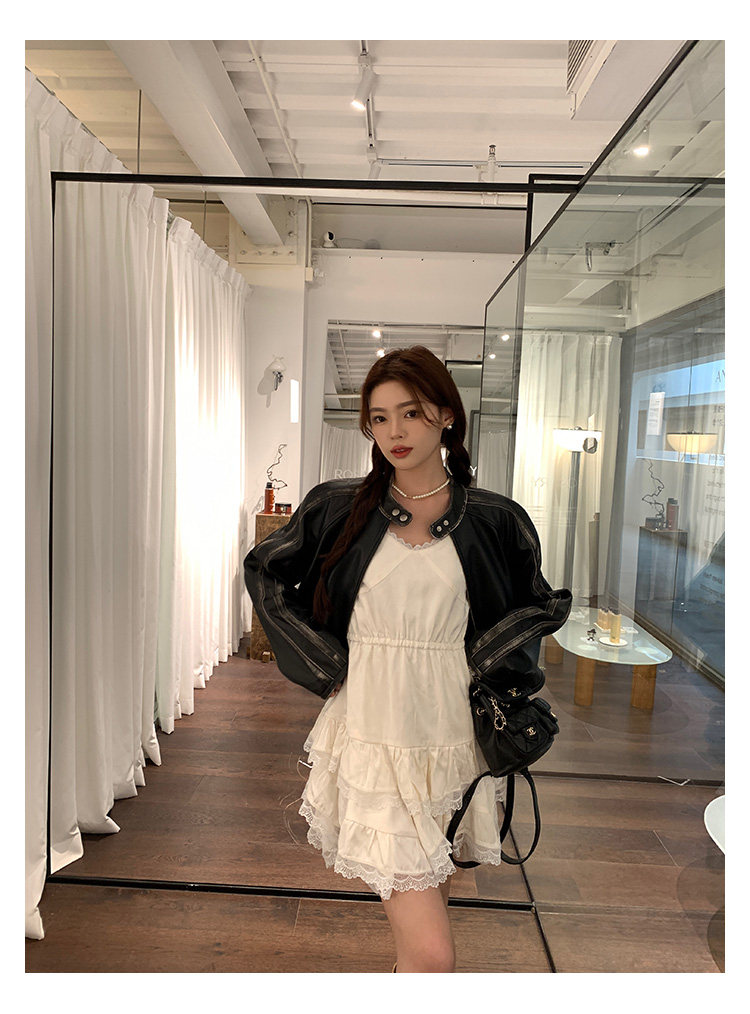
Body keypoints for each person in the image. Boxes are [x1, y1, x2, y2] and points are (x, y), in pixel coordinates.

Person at [244, 345, 571, 973]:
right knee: (432, 955)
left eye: (411, 413)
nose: (394, 430)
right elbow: (266, 572)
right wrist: (324, 665)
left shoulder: (495, 520)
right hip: (376, 733)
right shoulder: (338, 507)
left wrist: (496, 672)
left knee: (427, 922)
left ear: (446, 414)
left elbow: (536, 607)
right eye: (379, 417)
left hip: (451, 738)